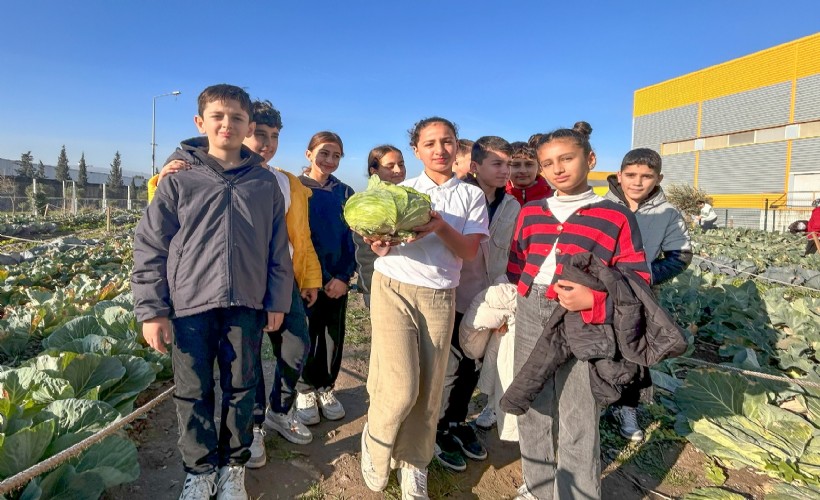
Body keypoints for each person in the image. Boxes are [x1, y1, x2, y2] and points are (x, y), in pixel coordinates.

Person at [132, 84, 293, 500]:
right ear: (200, 123)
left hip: (247, 304)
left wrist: (277, 300)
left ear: (248, 126)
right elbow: (151, 245)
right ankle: (199, 470)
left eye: (237, 118)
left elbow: (278, 248)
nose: (227, 124)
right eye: (218, 116)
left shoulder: (264, 183)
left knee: (242, 387)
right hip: (189, 306)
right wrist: (152, 309)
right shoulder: (179, 179)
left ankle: (233, 466)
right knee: (192, 390)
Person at [147, 100, 322, 458]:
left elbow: (296, 237)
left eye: (274, 136)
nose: (267, 143)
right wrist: (160, 179)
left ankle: (277, 411)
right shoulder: (183, 173)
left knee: (295, 348)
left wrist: (309, 277)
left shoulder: (282, 181)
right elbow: (162, 225)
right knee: (242, 364)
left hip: (279, 279)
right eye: (260, 134)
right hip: (224, 285)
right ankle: (252, 426)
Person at [507, 121, 649, 500]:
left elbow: (637, 276)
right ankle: (537, 486)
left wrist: (594, 300)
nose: (557, 169)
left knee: (578, 408)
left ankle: (578, 492)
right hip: (532, 307)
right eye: (548, 163)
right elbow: (518, 259)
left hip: (585, 318)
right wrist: (524, 292)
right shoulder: (532, 212)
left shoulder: (614, 215)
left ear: (590, 159)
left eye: (566, 158)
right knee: (532, 399)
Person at [360, 117, 489, 499]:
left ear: (456, 146)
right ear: (416, 151)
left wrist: (437, 226)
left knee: (430, 386)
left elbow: (468, 252)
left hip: (440, 295)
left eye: (446, 141)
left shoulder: (471, 196)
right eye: (430, 143)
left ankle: (414, 461)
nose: (439, 149)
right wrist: (378, 243)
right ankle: (377, 441)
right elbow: (385, 247)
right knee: (400, 385)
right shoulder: (402, 190)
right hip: (393, 287)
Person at [435, 136, 520, 472]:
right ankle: (438, 427)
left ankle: (457, 422)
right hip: (456, 295)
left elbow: (513, 255)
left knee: (473, 364)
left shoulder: (512, 206)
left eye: (508, 164)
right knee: (450, 366)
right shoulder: (457, 199)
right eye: (497, 164)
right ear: (475, 167)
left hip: (492, 299)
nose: (505, 171)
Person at [604, 147, 692, 441]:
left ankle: (627, 407)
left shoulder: (668, 213)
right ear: (619, 175)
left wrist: (645, 277)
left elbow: (680, 255)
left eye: (646, 176)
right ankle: (596, 401)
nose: (637, 182)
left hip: (640, 295)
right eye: (631, 175)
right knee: (598, 345)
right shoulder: (600, 204)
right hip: (599, 291)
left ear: (659, 178)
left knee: (634, 350)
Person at [296, 131, 357, 426]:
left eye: (336, 155)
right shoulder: (295, 189)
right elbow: (295, 237)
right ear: (309, 154)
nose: (329, 160)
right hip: (305, 279)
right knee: (305, 332)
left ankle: (326, 387)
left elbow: (353, 239)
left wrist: (344, 276)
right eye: (323, 153)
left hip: (338, 282)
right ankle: (305, 389)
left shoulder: (345, 193)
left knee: (333, 334)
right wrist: (316, 276)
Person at [353, 145, 407, 308]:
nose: (398, 169)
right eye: (390, 166)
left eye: (401, 164)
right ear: (374, 171)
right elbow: (364, 252)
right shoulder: (366, 203)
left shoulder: (408, 198)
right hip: (379, 283)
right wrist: (371, 285)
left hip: (409, 282)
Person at [505, 141, 552, 205]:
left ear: (539, 167)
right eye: (515, 165)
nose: (523, 170)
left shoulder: (551, 197)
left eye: (529, 164)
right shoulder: (497, 197)